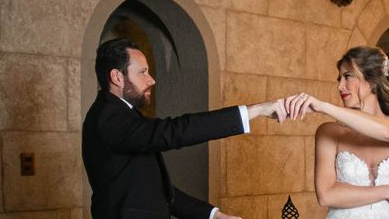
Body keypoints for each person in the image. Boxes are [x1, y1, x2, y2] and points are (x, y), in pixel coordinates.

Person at [82, 38, 287, 219]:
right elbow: (174, 131)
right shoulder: (107, 117)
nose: (151, 80)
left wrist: (214, 215)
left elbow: (157, 191)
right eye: (143, 72)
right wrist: (255, 110)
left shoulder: (125, 116)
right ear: (117, 77)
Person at [285, 46, 389, 218]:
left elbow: (387, 133)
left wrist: (323, 106)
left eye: (348, 76)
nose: (340, 86)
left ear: (373, 81)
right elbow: (326, 195)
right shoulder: (329, 132)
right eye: (339, 79)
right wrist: (387, 192)